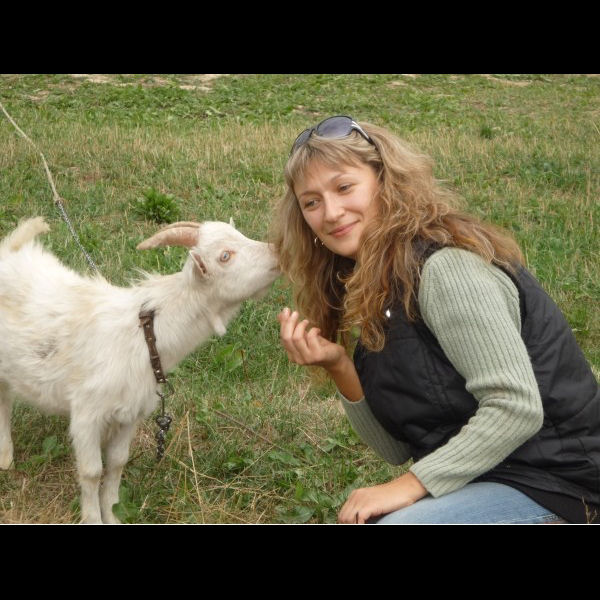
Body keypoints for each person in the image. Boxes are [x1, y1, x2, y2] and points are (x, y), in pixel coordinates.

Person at [272, 115, 600, 524]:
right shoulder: (379, 286)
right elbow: (396, 449)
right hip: (487, 477)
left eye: (344, 187)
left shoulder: (444, 270)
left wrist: (410, 485)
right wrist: (339, 365)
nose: (331, 213)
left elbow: (516, 406)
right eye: (311, 202)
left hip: (562, 487)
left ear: (385, 182)